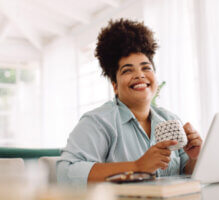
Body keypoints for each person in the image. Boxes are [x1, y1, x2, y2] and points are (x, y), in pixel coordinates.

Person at [57, 18, 202, 186]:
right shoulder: (98, 122)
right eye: (127, 70)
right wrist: (136, 166)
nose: (140, 75)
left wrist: (196, 158)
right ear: (115, 86)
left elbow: (186, 173)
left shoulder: (170, 120)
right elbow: (66, 173)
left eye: (146, 68)